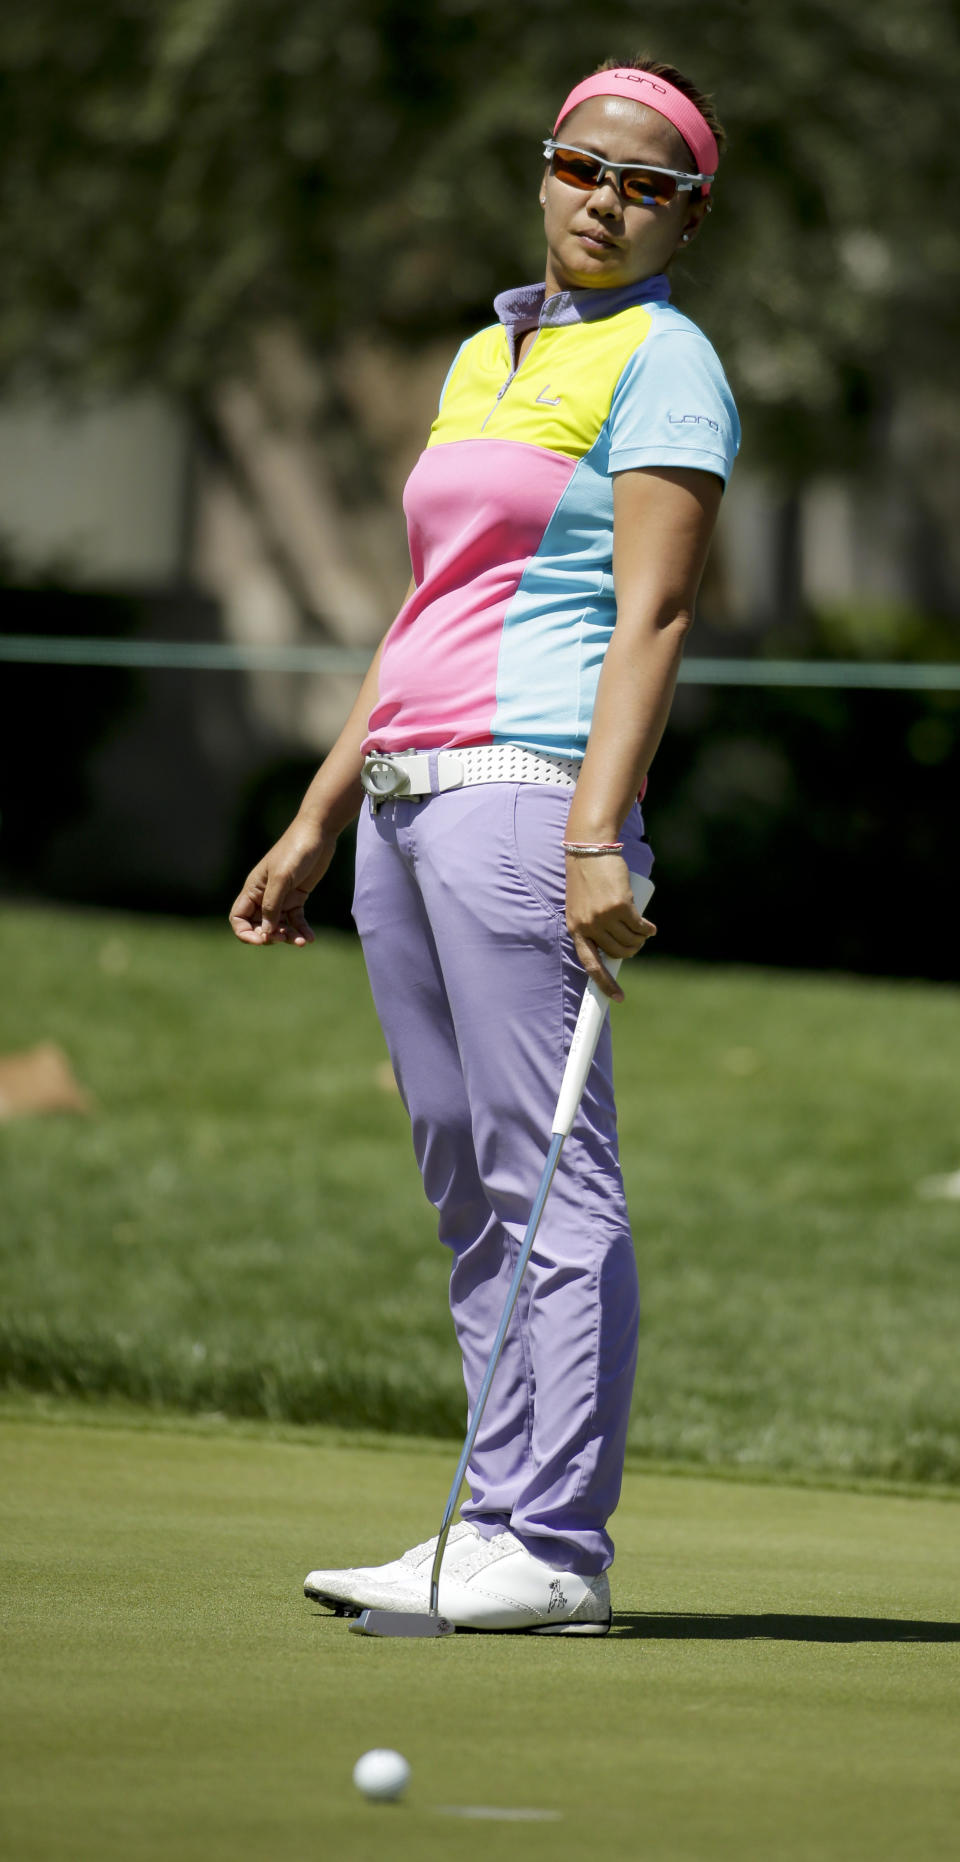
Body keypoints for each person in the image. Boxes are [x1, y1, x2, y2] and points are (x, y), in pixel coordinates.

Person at [229, 57, 740, 1634]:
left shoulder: (669, 361)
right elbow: (420, 616)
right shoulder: (483, 353)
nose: (605, 199)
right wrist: (320, 812)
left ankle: (554, 1546)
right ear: (542, 171)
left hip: (530, 796)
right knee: (467, 1179)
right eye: (584, 166)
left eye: (645, 185)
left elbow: (651, 611)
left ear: (685, 217)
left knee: (548, 1176)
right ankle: (489, 1522)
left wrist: (601, 835)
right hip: (400, 800)